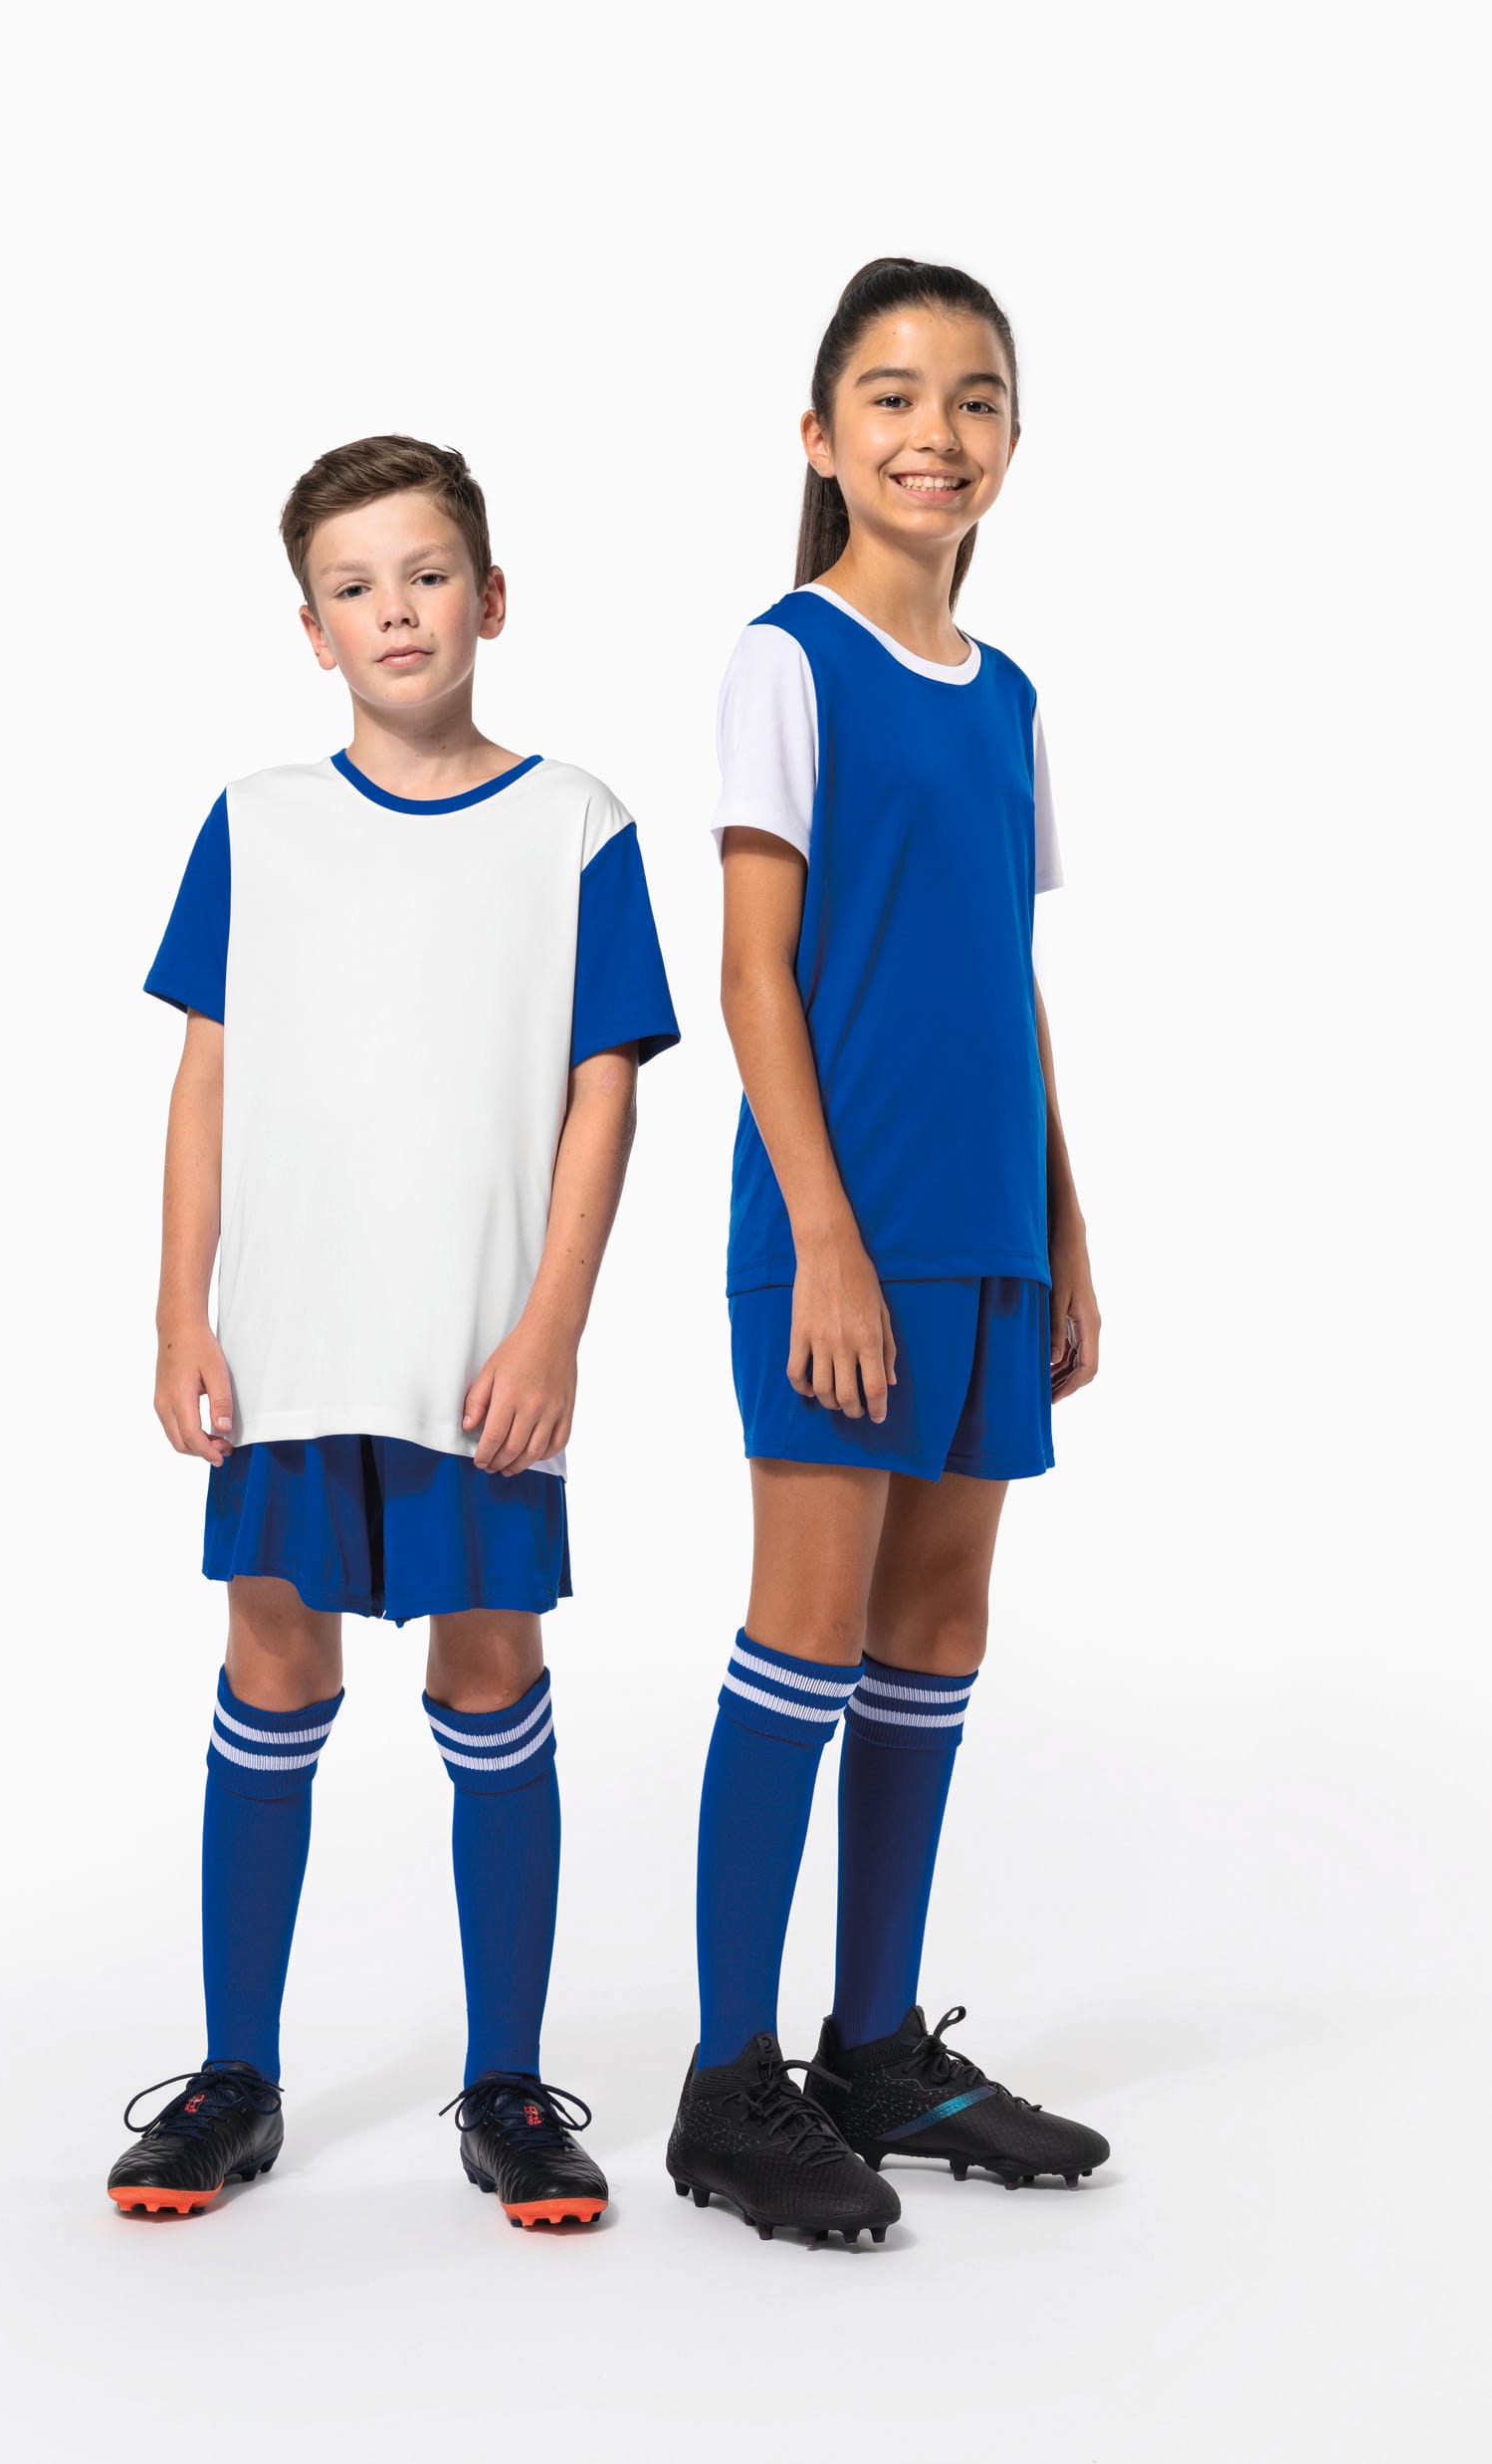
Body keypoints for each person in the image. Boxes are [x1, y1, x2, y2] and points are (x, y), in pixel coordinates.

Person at [107, 434, 678, 2226]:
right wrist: (179, 1312)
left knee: (488, 1671)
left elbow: (605, 1090)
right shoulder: (256, 823)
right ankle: (234, 2079)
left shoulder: (575, 821)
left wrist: (552, 1329)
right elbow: (204, 1080)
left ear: (490, 597)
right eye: (354, 588)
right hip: (290, 1341)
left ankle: (506, 2085)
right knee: (273, 1669)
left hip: (475, 1353)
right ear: (312, 631)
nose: (396, 610)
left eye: (427, 574)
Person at [666, 260, 1110, 2246]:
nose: (936, 432)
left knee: (932, 1634)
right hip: (836, 1238)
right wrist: (825, 1243)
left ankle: (875, 2048)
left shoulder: (1006, 697)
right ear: (821, 436)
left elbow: (1004, 980)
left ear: (1010, 437)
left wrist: (1062, 1222)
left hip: (984, 1232)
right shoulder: (789, 657)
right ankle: (723, 2080)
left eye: (974, 398)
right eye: (894, 395)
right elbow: (753, 973)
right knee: (804, 1632)